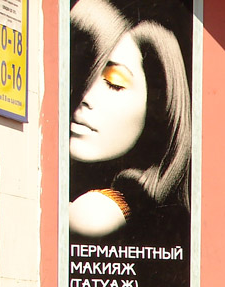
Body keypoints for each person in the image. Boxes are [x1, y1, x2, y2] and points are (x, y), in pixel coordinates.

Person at [69, 0, 191, 239]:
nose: (86, 97)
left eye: (115, 82)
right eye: (82, 70)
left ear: (158, 103)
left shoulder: (99, 211)